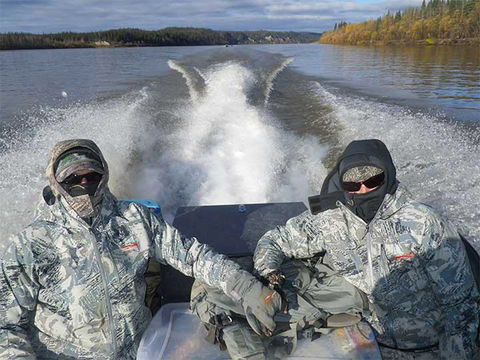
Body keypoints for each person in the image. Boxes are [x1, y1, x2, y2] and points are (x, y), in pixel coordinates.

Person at [0, 139, 281, 359]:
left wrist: (244, 286)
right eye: (74, 179)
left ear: (104, 175)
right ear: (57, 182)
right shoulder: (31, 243)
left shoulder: (134, 219)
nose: (84, 184)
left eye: (91, 176)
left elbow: (194, 257)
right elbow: (5, 326)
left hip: (140, 351)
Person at [254, 138, 480, 359]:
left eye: (373, 180)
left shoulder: (424, 223)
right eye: (352, 184)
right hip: (365, 343)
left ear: (388, 175)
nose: (363, 189)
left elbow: (461, 304)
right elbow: (274, 240)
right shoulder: (331, 221)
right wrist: (269, 273)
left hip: (430, 348)